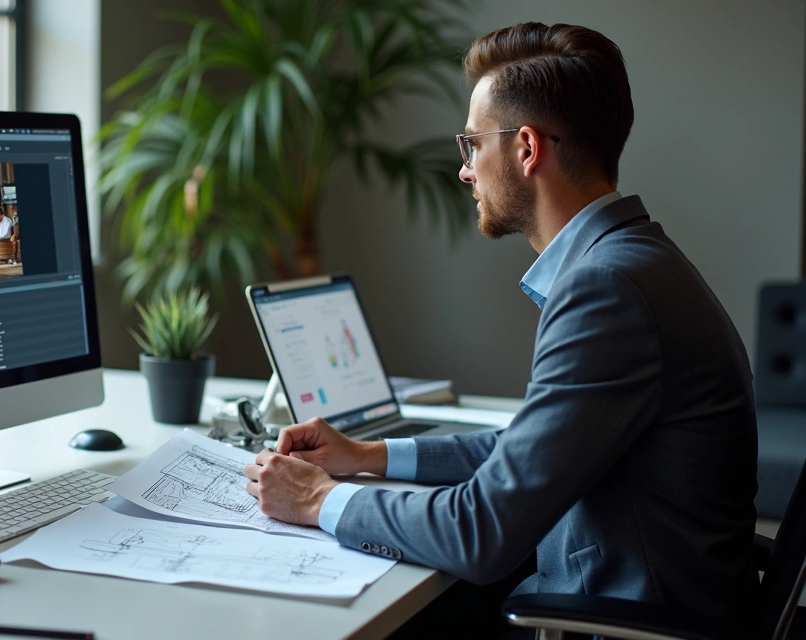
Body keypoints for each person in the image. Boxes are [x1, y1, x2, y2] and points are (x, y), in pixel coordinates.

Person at [243, 21, 757, 637]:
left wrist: (318, 500)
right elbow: (526, 452)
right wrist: (370, 456)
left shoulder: (606, 289)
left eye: (470, 146)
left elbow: (480, 532)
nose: (464, 171)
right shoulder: (636, 258)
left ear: (527, 149)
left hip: (616, 620)